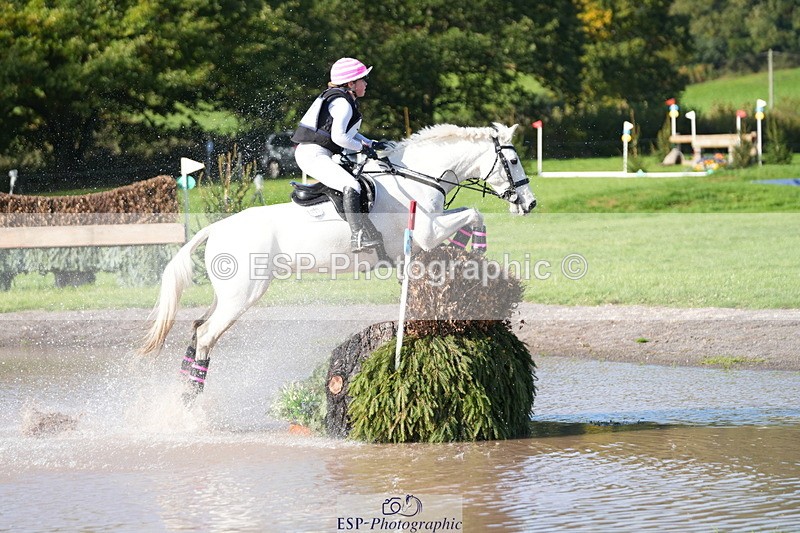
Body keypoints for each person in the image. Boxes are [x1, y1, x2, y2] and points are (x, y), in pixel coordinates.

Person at [292, 57, 387, 253]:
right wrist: (362, 148)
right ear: (351, 84)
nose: (366, 83)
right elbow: (340, 138)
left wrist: (369, 142)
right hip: (312, 154)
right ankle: (357, 237)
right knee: (351, 185)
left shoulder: (343, 100)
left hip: (318, 152)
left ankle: (366, 232)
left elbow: (349, 134)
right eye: (363, 79)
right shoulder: (342, 103)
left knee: (355, 182)